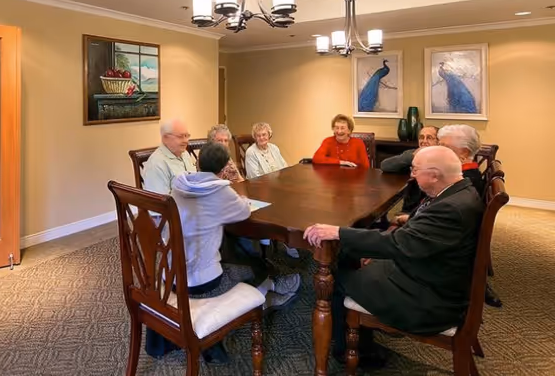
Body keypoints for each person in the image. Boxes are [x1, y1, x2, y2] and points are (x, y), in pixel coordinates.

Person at [304, 146, 484, 368]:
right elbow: (424, 236)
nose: (411, 174)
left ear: (434, 175)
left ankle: (353, 350)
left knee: (338, 279)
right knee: (351, 253)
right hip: (432, 273)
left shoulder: (450, 209)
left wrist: (337, 232)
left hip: (429, 300)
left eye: (416, 170)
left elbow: (398, 245)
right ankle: (355, 329)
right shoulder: (461, 192)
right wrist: (411, 222)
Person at [144, 142, 301, 363]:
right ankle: (271, 288)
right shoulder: (219, 190)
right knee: (252, 267)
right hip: (203, 284)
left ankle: (269, 286)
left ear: (197, 163)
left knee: (229, 251)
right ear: (223, 168)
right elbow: (242, 211)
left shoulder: (179, 186)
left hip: (172, 276)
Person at [437, 124, 501, 308]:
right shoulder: (468, 175)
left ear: (463, 153)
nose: (438, 150)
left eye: (444, 147)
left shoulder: (463, 183)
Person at [245, 122, 298, 258]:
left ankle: (288, 240)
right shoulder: (251, 152)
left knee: (293, 201)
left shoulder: (274, 148)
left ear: (269, 135)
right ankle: (272, 240)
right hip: (259, 190)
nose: (262, 138)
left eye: (264, 134)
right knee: (280, 205)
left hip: (277, 187)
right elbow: (254, 178)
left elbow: (284, 167)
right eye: (258, 135)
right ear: (254, 137)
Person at [381, 126, 439, 217]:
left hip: (428, 212)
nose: (424, 141)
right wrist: (412, 156)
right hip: (409, 209)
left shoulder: (443, 159)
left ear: (438, 141)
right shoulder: (412, 153)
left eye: (429, 138)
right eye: (421, 137)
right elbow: (385, 165)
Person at [143, 119, 196, 195]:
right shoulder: (156, 164)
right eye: (180, 136)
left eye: (186, 136)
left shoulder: (184, 153)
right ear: (165, 138)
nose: (186, 141)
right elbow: (160, 201)